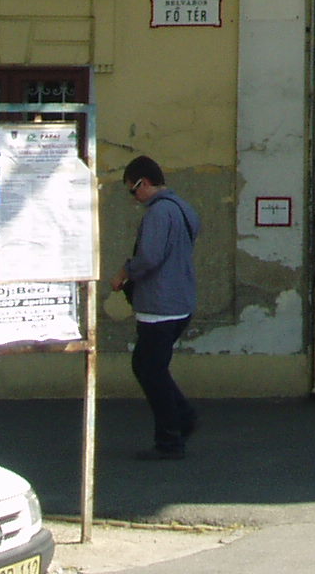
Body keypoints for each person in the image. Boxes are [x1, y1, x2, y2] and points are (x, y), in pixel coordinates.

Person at [114, 155, 201, 459]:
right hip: (179, 301)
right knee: (149, 367)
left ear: (145, 183)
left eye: (133, 189)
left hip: (159, 305)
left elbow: (149, 257)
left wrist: (126, 271)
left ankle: (170, 438)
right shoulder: (183, 207)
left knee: (150, 371)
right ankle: (182, 418)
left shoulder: (158, 212)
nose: (133, 197)